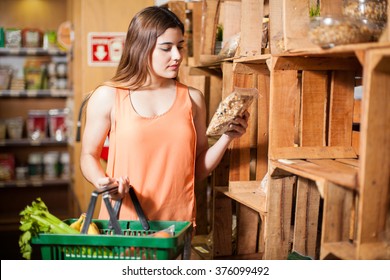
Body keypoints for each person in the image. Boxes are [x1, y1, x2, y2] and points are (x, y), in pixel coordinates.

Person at [80, 6, 249, 228]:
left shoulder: (193, 99)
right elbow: (88, 155)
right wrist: (103, 183)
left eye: (179, 47)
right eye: (166, 48)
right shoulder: (108, 96)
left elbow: (196, 169)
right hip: (123, 222)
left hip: (177, 225)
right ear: (141, 48)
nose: (177, 56)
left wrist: (227, 137)